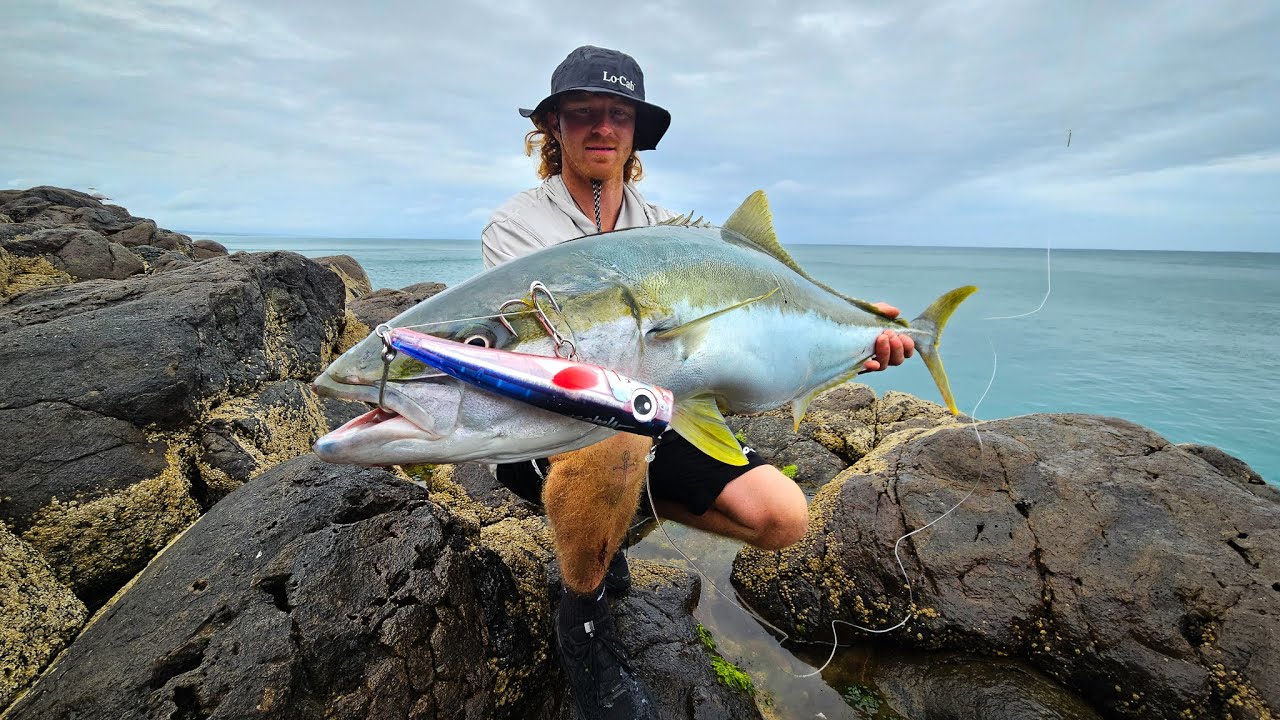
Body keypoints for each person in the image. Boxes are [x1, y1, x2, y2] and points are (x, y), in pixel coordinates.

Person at [481, 45, 914, 719]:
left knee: (783, 515)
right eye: (583, 113)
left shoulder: (672, 234)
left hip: (657, 419)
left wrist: (852, 335)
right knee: (614, 432)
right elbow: (525, 349)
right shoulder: (517, 228)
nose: (602, 127)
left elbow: (752, 331)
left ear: (634, 134)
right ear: (554, 129)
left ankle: (609, 527)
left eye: (618, 114)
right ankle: (584, 620)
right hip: (552, 423)